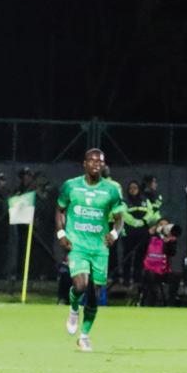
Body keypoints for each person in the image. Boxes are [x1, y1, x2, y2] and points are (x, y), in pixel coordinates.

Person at [56, 149, 123, 352]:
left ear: (103, 166)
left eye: (100, 162)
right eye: (92, 161)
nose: (96, 164)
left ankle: (84, 336)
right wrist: (61, 234)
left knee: (94, 291)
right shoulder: (71, 186)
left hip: (99, 248)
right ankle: (74, 308)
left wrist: (114, 234)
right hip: (77, 245)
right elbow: (60, 210)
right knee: (81, 285)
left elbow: (119, 219)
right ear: (84, 163)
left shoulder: (111, 190)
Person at [139, 219, 180, 307]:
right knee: (150, 278)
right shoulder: (150, 238)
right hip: (150, 270)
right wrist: (148, 234)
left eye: (166, 225)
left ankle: (171, 301)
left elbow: (172, 253)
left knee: (176, 277)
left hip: (164, 271)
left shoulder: (171, 240)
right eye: (162, 225)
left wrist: (168, 242)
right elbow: (141, 249)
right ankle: (151, 302)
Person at [120, 180, 152, 285]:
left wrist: (143, 221)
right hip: (129, 234)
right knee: (127, 258)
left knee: (139, 258)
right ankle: (126, 280)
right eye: (131, 188)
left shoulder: (145, 200)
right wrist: (135, 222)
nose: (133, 190)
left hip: (142, 234)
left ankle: (137, 279)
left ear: (138, 189)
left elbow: (150, 212)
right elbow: (124, 214)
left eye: (135, 188)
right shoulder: (125, 202)